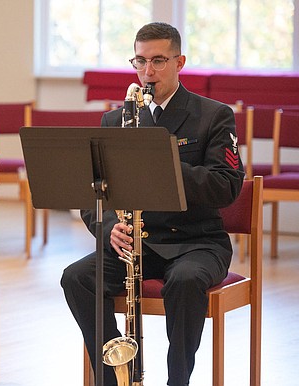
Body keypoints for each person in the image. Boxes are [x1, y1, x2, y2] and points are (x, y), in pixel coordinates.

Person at [61, 22, 244, 386]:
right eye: (140, 61)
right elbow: (91, 193)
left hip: (197, 241)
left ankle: (178, 380)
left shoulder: (213, 115)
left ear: (180, 62)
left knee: (186, 280)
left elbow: (226, 186)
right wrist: (108, 226)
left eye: (159, 61)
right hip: (136, 243)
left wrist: (164, 161)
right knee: (76, 277)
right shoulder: (116, 120)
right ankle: (116, 375)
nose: (148, 71)